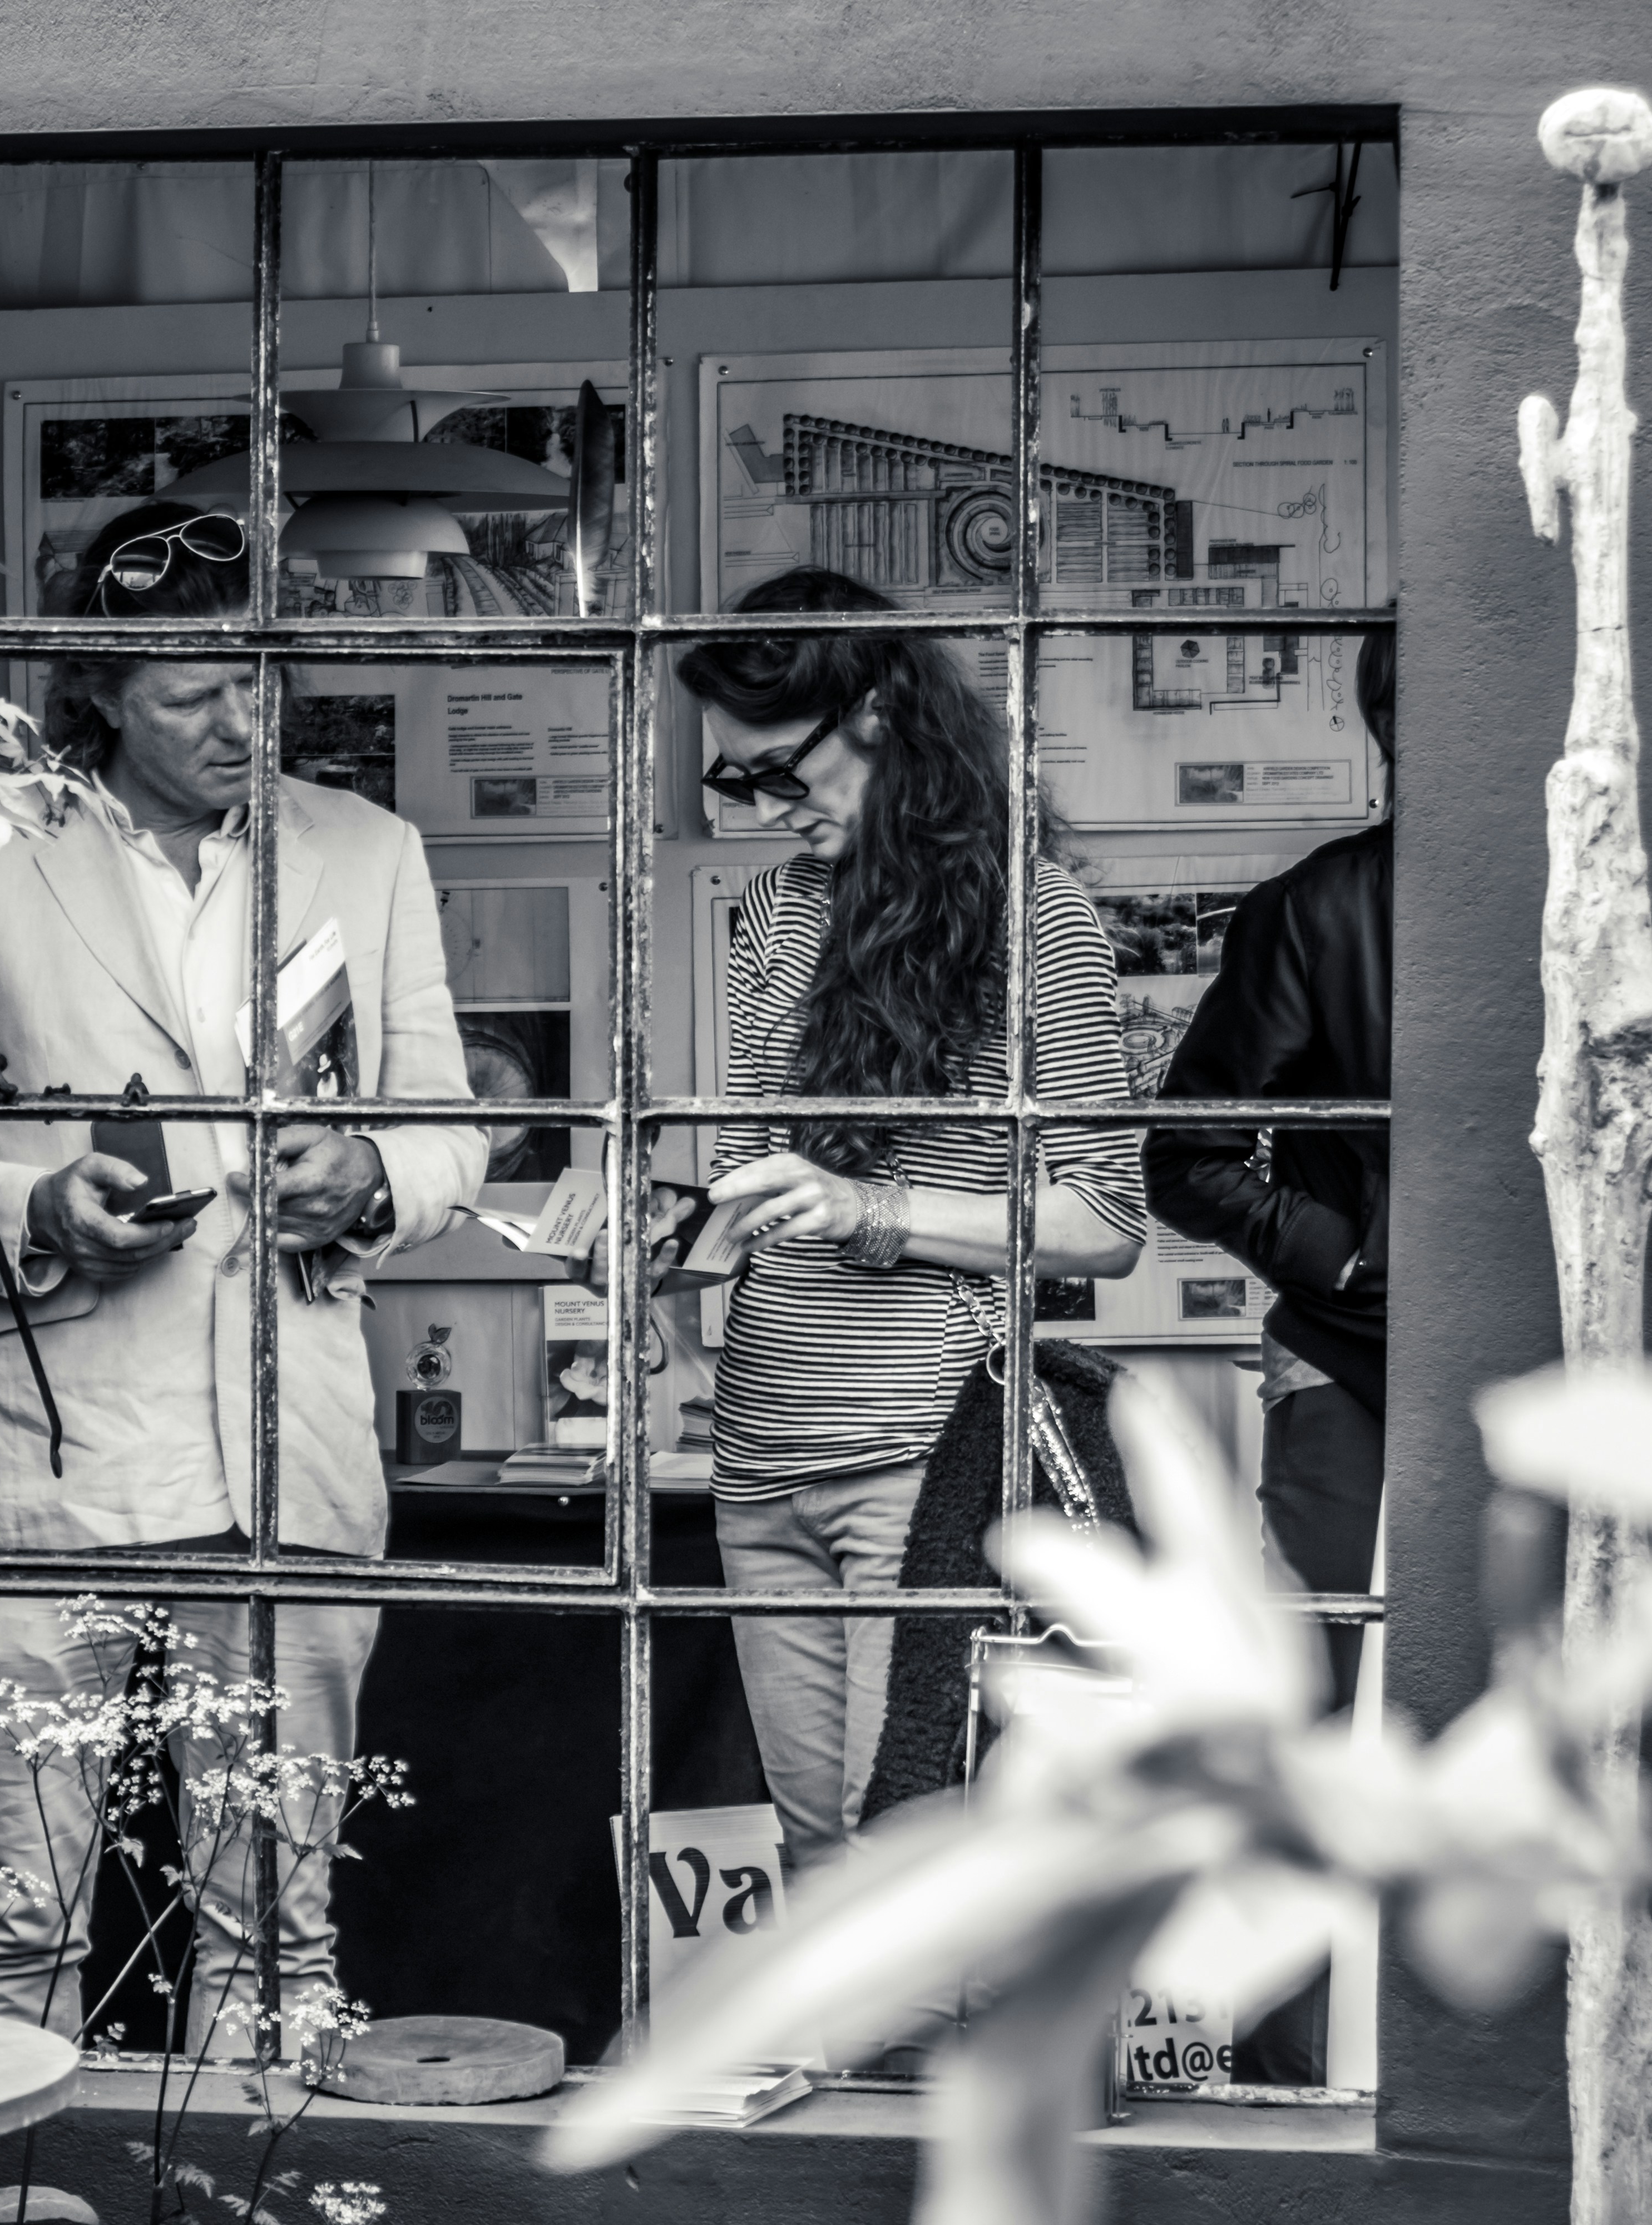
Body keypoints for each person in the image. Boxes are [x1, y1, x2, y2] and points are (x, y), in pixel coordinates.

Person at [0, 498, 486, 2043]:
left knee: (280, 1935)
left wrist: (377, 1175)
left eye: (261, 683)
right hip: (44, 1468)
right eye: (194, 695)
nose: (241, 723)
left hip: (289, 1460)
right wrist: (38, 1208)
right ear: (102, 692)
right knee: (15, 1918)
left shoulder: (370, 853)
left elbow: (453, 1129)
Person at [680, 567, 1147, 1883]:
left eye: (779, 770)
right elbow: (752, 1166)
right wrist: (665, 1243)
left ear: (881, 713)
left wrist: (869, 1205)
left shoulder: (1032, 914)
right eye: (738, 783)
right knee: (824, 1853)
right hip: (759, 1450)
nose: (768, 807)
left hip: (919, 1451)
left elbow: (1105, 1220)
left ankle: (942, 2097)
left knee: (928, 1849)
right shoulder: (776, 908)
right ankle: (860, 2093)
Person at [1144, 629, 1391, 2086]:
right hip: (1351, 1360)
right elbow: (1184, 1152)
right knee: (1311, 1724)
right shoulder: (1315, 909)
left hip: (1544, 1358)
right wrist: (1341, 1256)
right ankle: (1286, 2076)